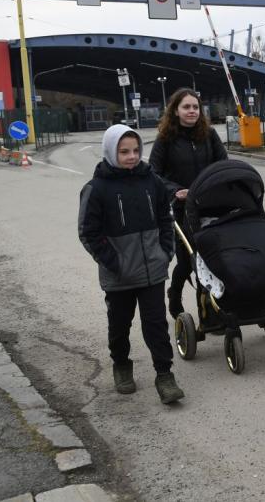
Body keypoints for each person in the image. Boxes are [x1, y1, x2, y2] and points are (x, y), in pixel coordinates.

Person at [78, 124, 185, 405]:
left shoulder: (153, 183)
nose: (132, 156)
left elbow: (166, 219)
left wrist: (165, 253)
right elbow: (88, 233)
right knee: (119, 324)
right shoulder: (96, 189)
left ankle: (165, 375)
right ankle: (122, 365)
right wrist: (115, 263)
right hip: (119, 276)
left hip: (152, 270)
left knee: (156, 326)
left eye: (136, 150)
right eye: (124, 151)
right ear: (111, 152)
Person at [149, 88, 228, 320]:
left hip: (209, 205)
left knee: (210, 259)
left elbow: (222, 163)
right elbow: (153, 173)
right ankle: (175, 294)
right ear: (175, 110)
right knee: (188, 262)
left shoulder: (209, 134)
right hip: (181, 209)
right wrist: (176, 191)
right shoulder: (165, 139)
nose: (192, 111)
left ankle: (209, 313)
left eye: (195, 107)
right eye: (186, 107)